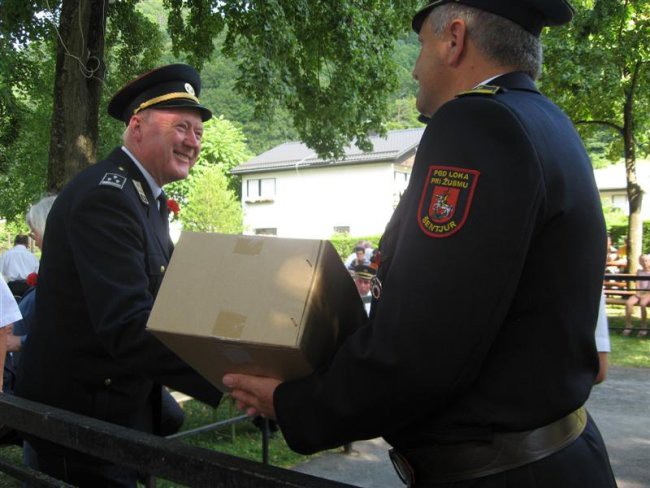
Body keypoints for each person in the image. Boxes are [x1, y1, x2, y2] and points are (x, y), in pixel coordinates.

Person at [223, 2, 617, 487]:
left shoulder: (476, 125)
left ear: (454, 39)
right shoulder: (546, 121)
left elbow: (423, 338)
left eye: (420, 46)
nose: (413, 68)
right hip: (552, 460)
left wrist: (295, 404)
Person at [15, 64, 223, 487]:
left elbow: (167, 303)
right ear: (136, 126)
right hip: (84, 430)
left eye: (198, 133)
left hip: (116, 420)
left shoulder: (145, 199)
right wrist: (228, 374)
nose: (192, 142)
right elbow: (129, 326)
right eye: (181, 127)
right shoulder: (106, 197)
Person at [623, 254, 650, 337]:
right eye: (642, 261)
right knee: (628, 303)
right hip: (639, 292)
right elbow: (637, 283)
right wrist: (638, 293)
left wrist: (645, 294)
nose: (644, 263)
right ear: (639, 262)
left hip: (649, 293)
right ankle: (628, 325)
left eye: (646, 260)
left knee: (642, 304)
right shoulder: (639, 271)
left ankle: (643, 327)